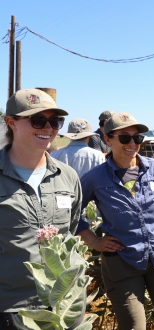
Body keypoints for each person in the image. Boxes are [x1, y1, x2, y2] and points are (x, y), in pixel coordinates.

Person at [75, 112, 154, 330]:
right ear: (108, 139)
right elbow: (72, 214)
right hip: (122, 263)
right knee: (133, 326)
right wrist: (93, 241)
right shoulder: (95, 177)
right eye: (124, 138)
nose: (132, 143)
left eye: (137, 138)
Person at [0, 89, 82, 325]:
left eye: (55, 121)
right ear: (11, 122)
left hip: (65, 306)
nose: (48, 128)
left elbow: (70, 230)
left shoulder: (67, 176)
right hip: (14, 309)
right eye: (38, 120)